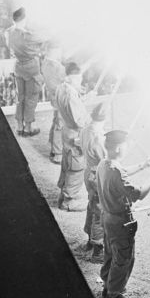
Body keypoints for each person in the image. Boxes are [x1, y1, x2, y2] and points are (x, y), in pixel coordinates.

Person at [97, 130, 150, 298]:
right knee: (124, 258)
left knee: (111, 254)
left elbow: (122, 171)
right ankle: (113, 296)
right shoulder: (115, 172)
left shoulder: (104, 164)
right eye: (125, 145)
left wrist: (143, 166)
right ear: (119, 148)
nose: (127, 148)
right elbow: (139, 194)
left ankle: (107, 286)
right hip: (120, 222)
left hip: (108, 218)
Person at [55, 62, 90, 211]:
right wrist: (91, 121)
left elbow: (71, 109)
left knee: (67, 163)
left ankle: (63, 193)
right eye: (79, 79)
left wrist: (83, 97)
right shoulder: (71, 96)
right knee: (77, 167)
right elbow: (79, 120)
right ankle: (69, 201)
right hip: (75, 133)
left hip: (67, 131)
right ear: (73, 77)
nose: (80, 81)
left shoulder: (61, 87)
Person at [6, 7, 43, 136]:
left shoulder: (8, 32)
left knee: (19, 97)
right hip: (31, 67)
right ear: (24, 19)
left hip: (18, 67)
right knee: (31, 98)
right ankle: (28, 128)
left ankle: (19, 126)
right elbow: (40, 43)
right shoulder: (28, 35)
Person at [81, 102, 107, 261]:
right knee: (100, 211)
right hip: (97, 176)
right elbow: (106, 160)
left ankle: (89, 241)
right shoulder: (99, 138)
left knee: (91, 206)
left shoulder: (85, 130)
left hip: (88, 173)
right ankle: (98, 249)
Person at [41, 43, 66, 163]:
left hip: (56, 95)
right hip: (59, 96)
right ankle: (57, 153)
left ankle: (53, 146)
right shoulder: (52, 65)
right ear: (52, 51)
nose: (60, 53)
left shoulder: (48, 62)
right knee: (60, 124)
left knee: (57, 120)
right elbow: (53, 85)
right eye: (59, 51)